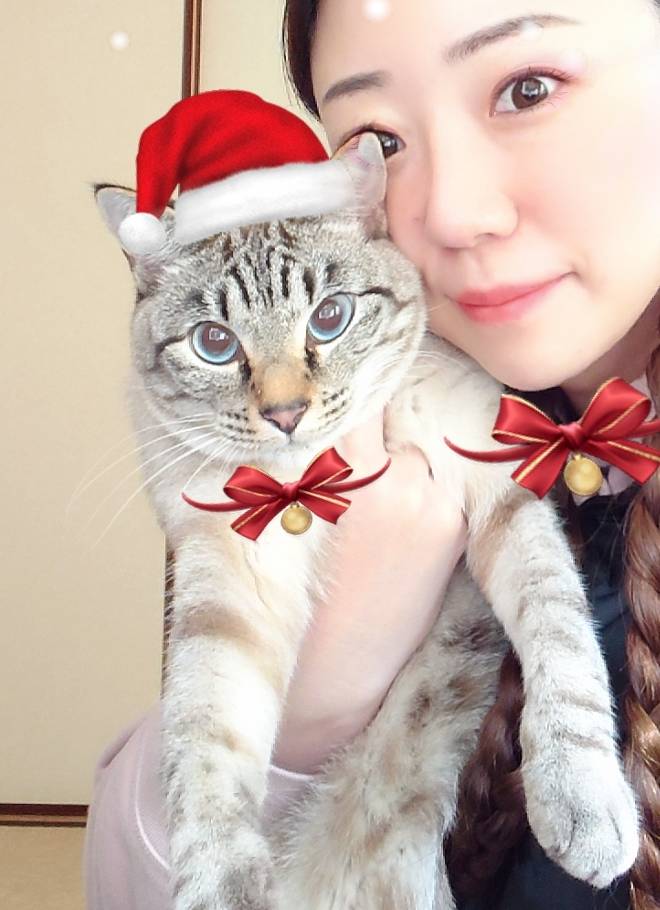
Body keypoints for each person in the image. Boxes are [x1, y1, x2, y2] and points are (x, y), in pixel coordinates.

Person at [83, 1, 660, 908]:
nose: (456, 214)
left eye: (528, 89)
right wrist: (310, 713)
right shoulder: (385, 416)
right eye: (380, 142)